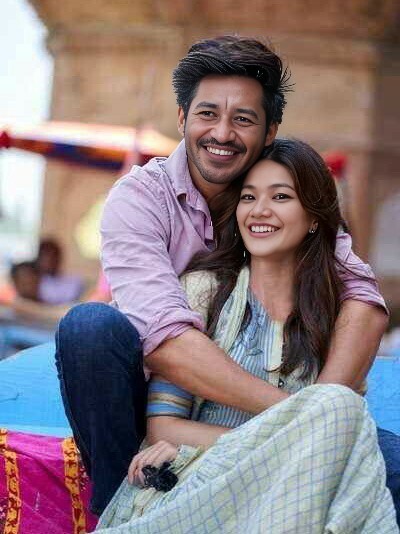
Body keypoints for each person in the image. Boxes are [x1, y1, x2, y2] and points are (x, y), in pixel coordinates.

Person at [55, 35, 398, 519]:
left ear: (270, 131)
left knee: (389, 465)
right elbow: (166, 341)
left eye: (243, 119)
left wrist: (326, 417)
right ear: (182, 118)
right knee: (90, 327)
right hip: (158, 409)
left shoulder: (285, 189)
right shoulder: (141, 200)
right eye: (207, 113)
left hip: (282, 413)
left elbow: (363, 297)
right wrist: (305, 421)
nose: (222, 133)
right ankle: (118, 506)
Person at [95, 139, 398, 532]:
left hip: (298, 485)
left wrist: (295, 441)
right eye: (249, 197)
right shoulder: (203, 291)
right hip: (209, 477)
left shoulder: (337, 313)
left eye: (280, 197)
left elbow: (337, 427)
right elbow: (164, 427)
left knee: (338, 409)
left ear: (313, 218)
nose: (259, 210)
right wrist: (278, 443)